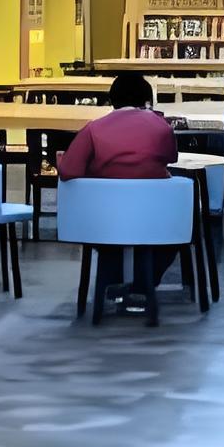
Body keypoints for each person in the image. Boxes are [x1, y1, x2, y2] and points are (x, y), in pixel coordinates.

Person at [56, 73, 180, 310]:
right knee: (172, 234)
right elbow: (170, 157)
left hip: (106, 221)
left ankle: (113, 283)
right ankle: (142, 286)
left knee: (109, 241)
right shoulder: (161, 126)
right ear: (146, 100)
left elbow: (69, 171)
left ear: (112, 99)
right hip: (153, 219)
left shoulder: (93, 129)